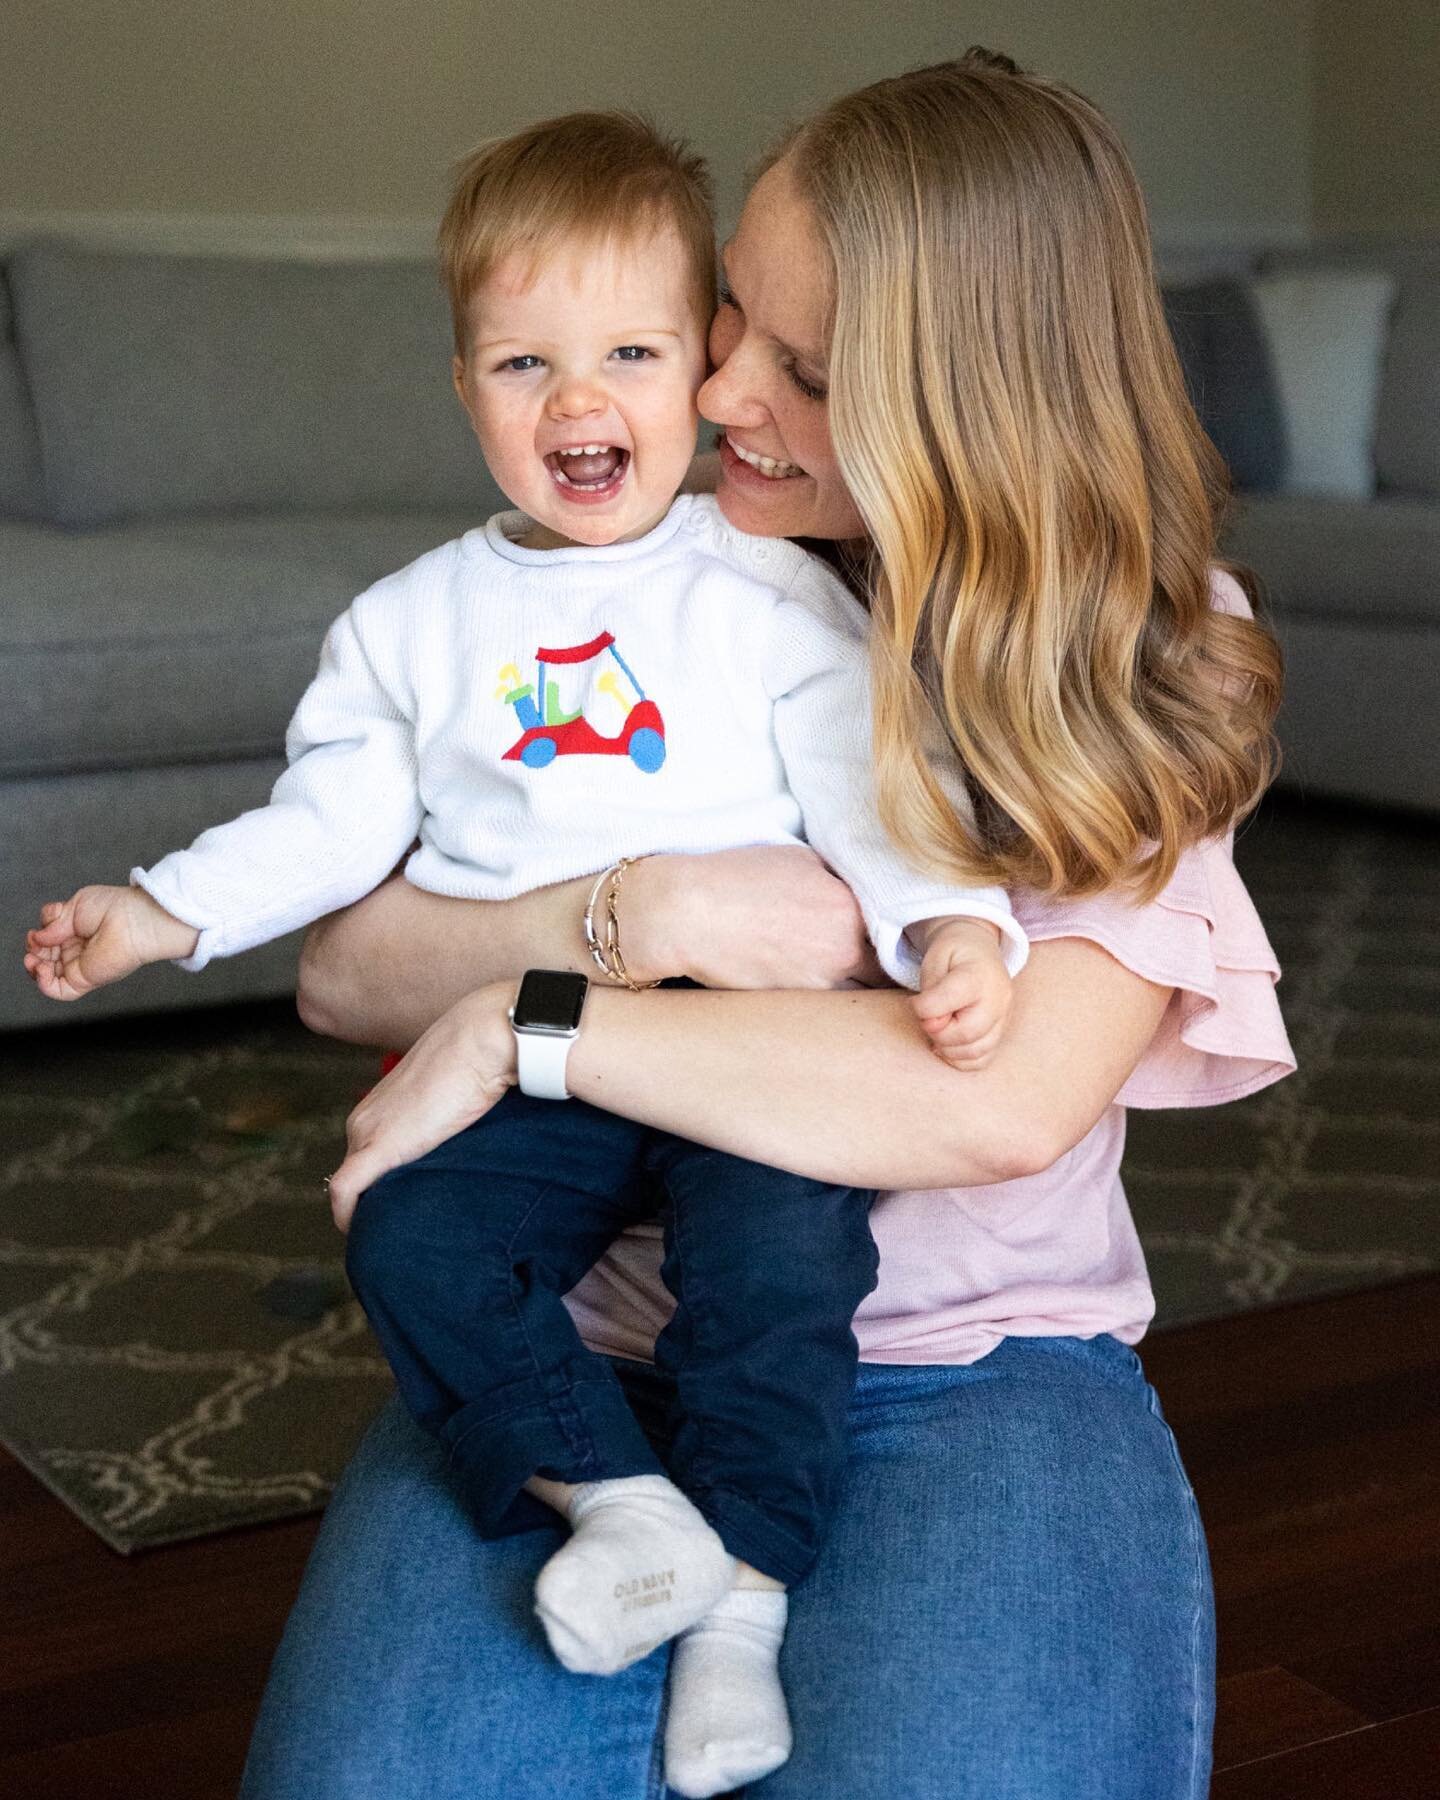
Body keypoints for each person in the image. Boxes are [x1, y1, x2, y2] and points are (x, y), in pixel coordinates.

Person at [240, 50, 1294, 1800]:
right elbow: (347, 964)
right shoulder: (635, 583)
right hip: (593, 1352)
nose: (717, 383)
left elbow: (988, 1100)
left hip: (962, 1371)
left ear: (962, 408)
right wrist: (647, 906)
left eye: (801, 372)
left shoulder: (1146, 652)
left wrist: (537, 1016)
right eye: (731, 311)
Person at [24, 111, 1031, 1799]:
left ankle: (746, 1606)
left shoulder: (764, 584)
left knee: (775, 1287)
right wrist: (161, 909)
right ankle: (625, 1511)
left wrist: (956, 929)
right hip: (547, 1059)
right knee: (409, 1226)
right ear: (465, 389)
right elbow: (329, 829)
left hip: (741, 1056)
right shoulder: (410, 627)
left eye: (634, 352)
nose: (582, 402)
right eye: (524, 361)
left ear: (695, 364)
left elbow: (873, 793)